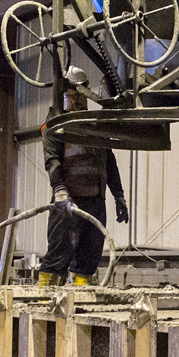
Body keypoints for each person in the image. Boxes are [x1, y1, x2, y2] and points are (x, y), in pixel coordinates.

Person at [40, 66, 128, 286]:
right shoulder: (57, 123)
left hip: (96, 202)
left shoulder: (96, 125)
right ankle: (42, 302)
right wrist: (59, 190)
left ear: (87, 92)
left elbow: (109, 162)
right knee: (58, 253)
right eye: (70, 97)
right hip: (69, 201)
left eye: (78, 95)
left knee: (89, 258)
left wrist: (118, 195)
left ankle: (81, 301)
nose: (75, 101)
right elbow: (52, 159)